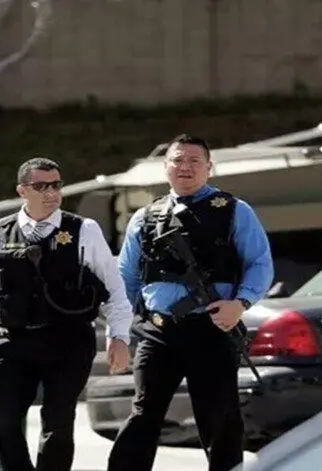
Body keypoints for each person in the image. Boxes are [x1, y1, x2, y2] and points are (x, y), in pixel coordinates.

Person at [0, 157, 133, 471]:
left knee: (57, 423)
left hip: (68, 341)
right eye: (41, 186)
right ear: (22, 191)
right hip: (12, 341)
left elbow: (115, 291)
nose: (51, 193)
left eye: (56, 185)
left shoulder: (83, 230)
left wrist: (119, 337)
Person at [107, 134, 274, 471]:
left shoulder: (233, 211)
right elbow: (125, 278)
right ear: (166, 167)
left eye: (195, 161)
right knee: (143, 415)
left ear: (209, 168)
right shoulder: (145, 217)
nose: (185, 167)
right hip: (158, 332)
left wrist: (239, 304)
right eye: (178, 160)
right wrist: (121, 330)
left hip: (211, 330)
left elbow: (260, 264)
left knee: (220, 420)